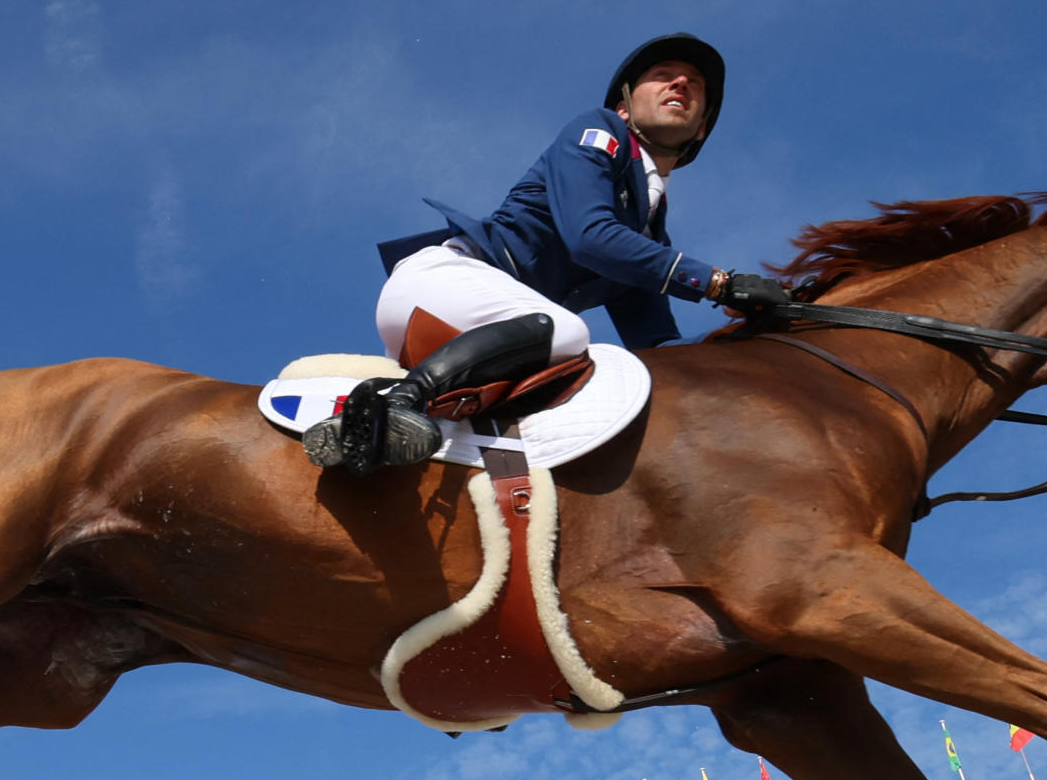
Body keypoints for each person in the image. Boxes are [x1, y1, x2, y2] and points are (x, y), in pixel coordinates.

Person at [308, 35, 782, 474]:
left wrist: (753, 342)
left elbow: (657, 346)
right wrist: (720, 283)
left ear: (700, 131)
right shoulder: (597, 132)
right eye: (663, 74)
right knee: (569, 331)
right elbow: (592, 238)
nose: (680, 82)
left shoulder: (648, 239)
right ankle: (396, 406)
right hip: (441, 283)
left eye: (694, 84)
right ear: (622, 107)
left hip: (483, 327)